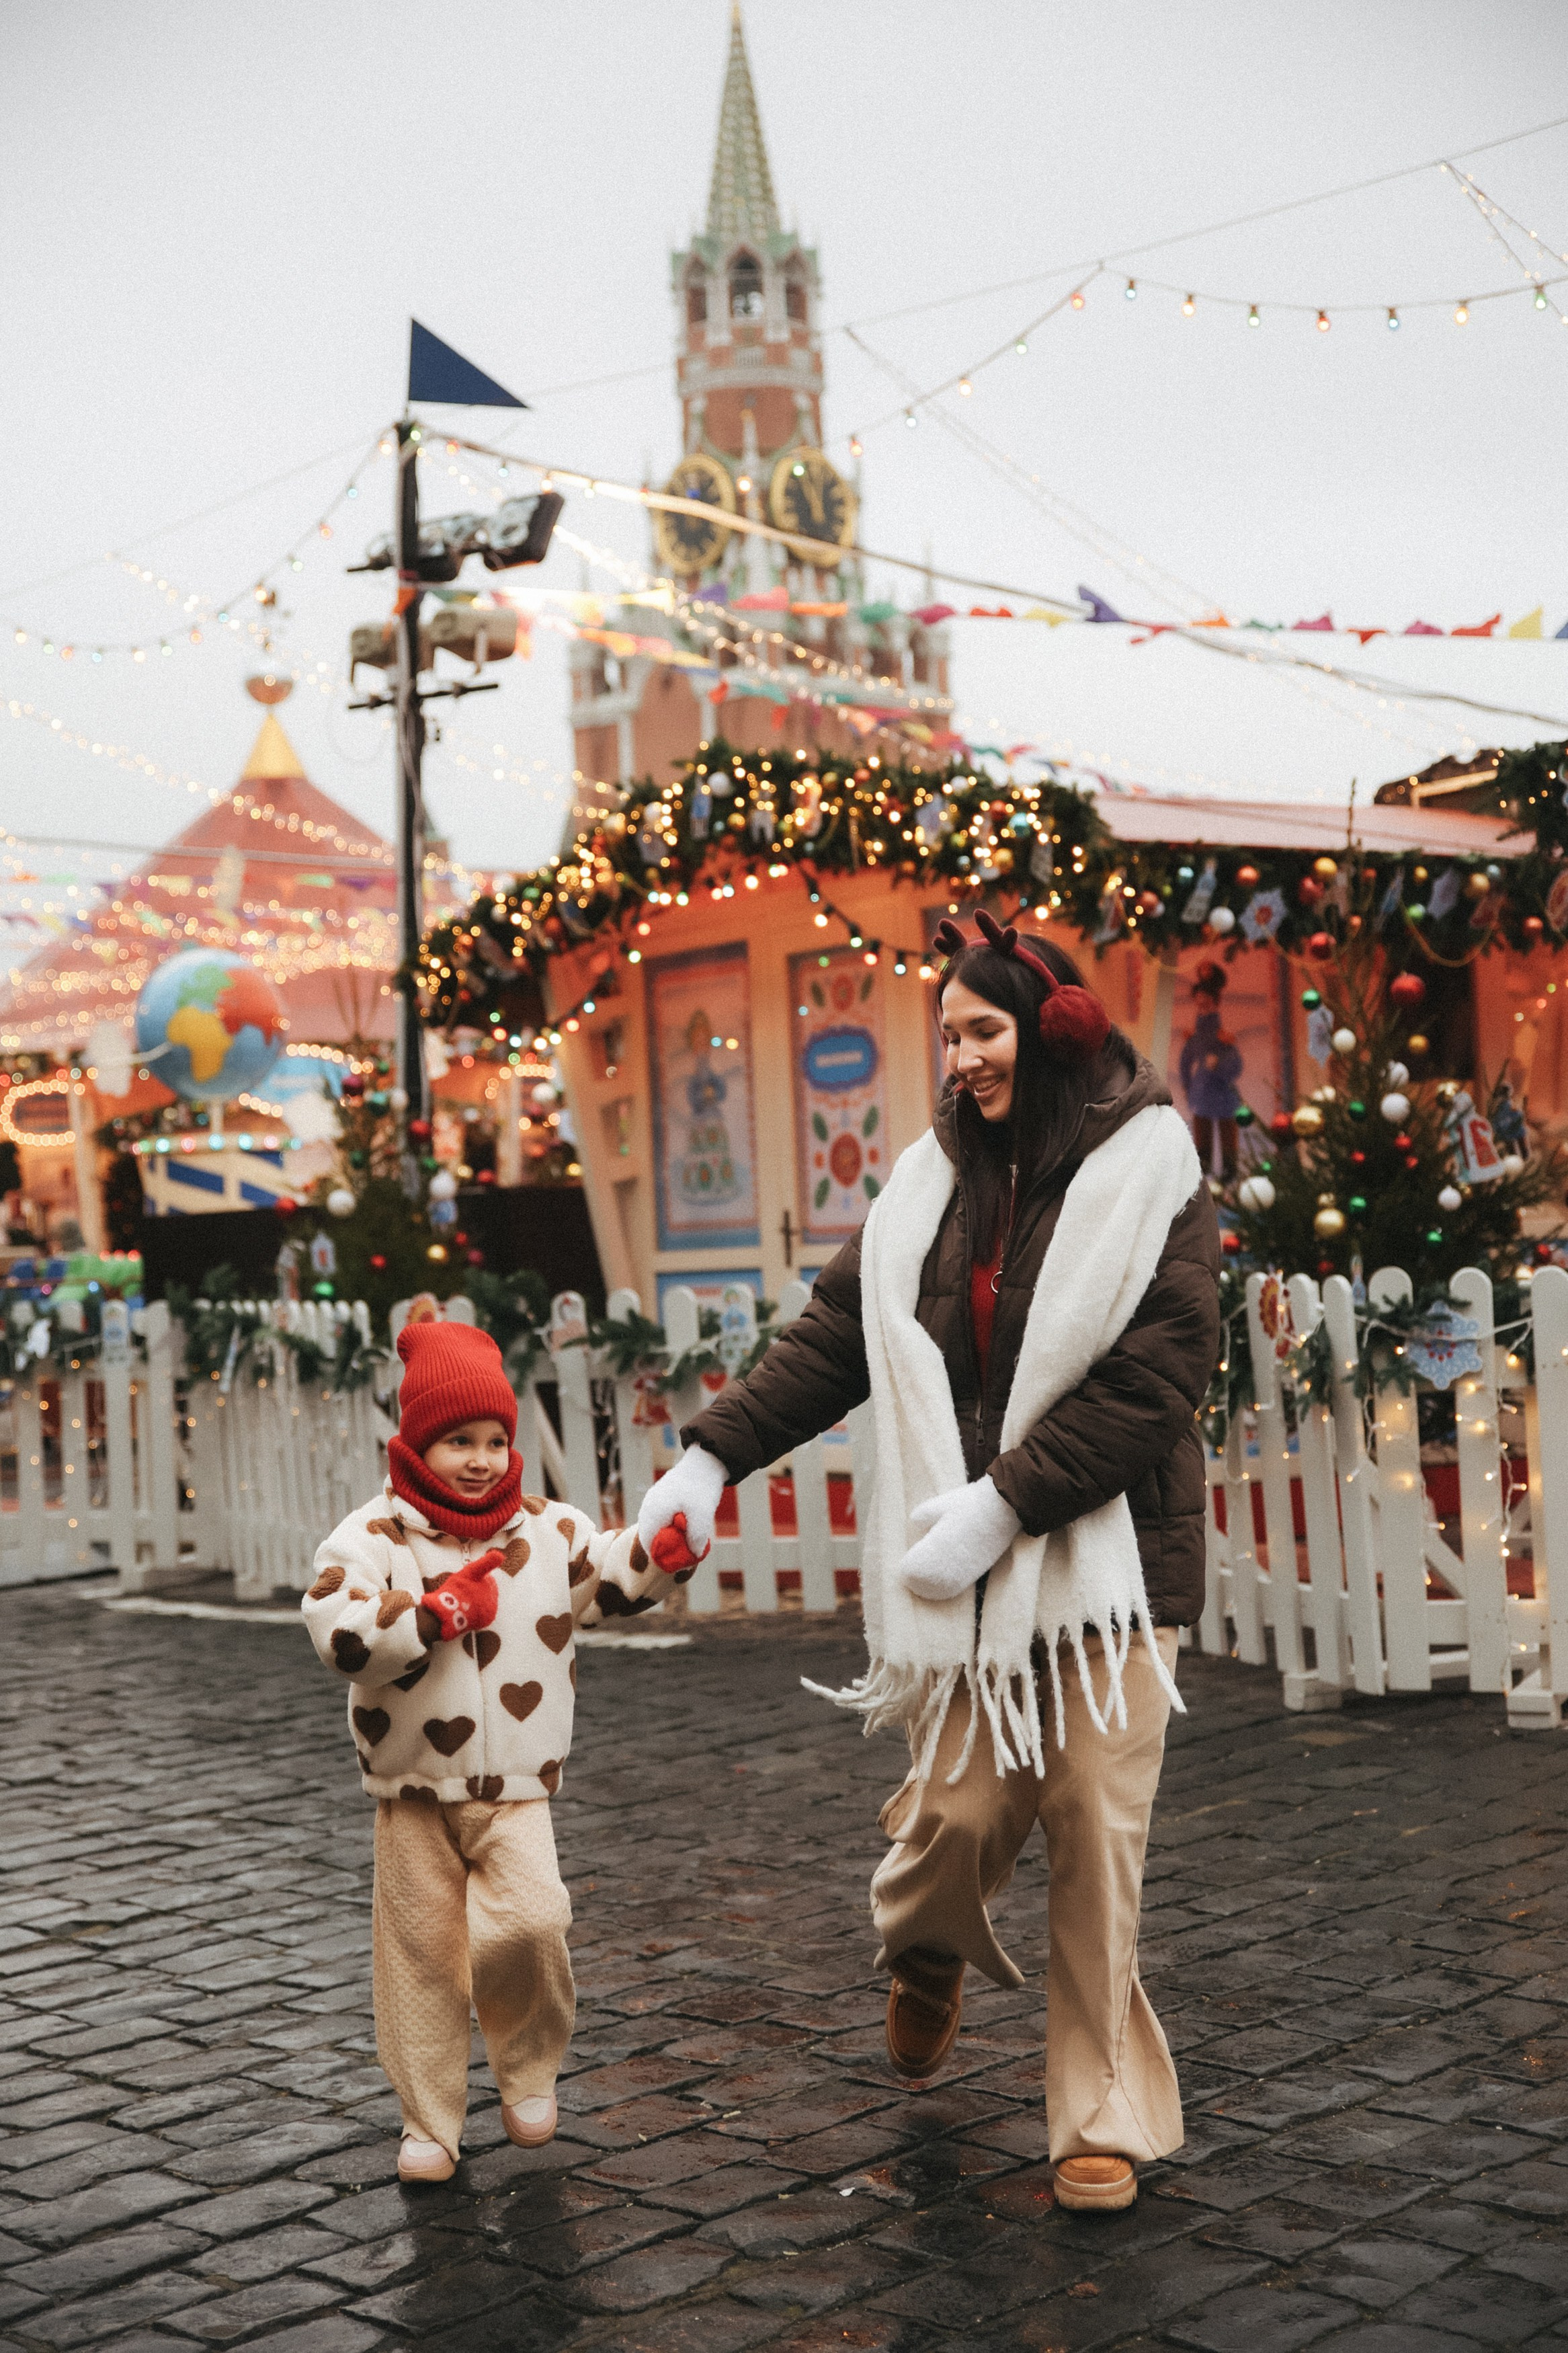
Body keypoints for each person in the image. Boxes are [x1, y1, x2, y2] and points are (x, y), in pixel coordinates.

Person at [639, 912, 1219, 2214]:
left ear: (1054, 1024)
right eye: (945, 1033)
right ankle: (925, 1946)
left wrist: (1005, 1501)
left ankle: (1098, 2116)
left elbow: (1156, 1374)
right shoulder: (927, 1181)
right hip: (968, 1576)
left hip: (1111, 1563)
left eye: (981, 1028)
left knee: (1090, 1825)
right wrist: (710, 1458)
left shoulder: (1152, 1166)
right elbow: (835, 1335)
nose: (956, 1056)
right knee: (954, 1815)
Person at [304, 1318, 699, 2184]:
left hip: (518, 1785)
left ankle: (526, 2069)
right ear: (415, 1442)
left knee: (530, 1921)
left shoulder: (544, 1529)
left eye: (493, 1439)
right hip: (411, 1789)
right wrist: (429, 1615)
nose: (480, 1458)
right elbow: (336, 1627)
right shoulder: (373, 1535)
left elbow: (605, 1575)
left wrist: (660, 1556)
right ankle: (429, 2122)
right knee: (419, 1958)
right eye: (457, 1440)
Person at [1178, 959, 1243, 1177]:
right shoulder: (1196, 1037)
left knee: (1227, 1137)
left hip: (1223, 1097)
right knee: (1202, 1140)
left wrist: (1219, 1067)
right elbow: (1185, 1062)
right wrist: (1188, 1087)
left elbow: (1236, 1065)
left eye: (1207, 1005)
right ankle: (1203, 1174)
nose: (1202, 1010)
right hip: (1202, 1095)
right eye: (1199, 1005)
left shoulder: (1223, 1036)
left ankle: (1229, 1173)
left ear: (1215, 1004)